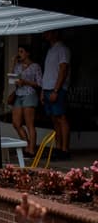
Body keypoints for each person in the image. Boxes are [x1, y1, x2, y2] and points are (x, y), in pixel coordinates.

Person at [7, 43, 43, 155]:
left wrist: (25, 82)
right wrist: (13, 64)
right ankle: (26, 144)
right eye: (18, 51)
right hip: (18, 94)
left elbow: (39, 83)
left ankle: (31, 149)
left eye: (22, 51)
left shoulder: (35, 66)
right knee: (16, 123)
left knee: (29, 124)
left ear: (28, 53)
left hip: (29, 94)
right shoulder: (17, 65)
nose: (19, 54)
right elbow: (11, 77)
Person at [42, 29, 72, 159]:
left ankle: (65, 149)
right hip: (47, 88)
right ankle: (58, 147)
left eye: (48, 32)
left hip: (57, 88)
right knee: (54, 119)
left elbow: (63, 69)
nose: (45, 35)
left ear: (56, 33)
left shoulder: (62, 49)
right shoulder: (50, 50)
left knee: (61, 118)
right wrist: (43, 90)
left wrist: (56, 90)